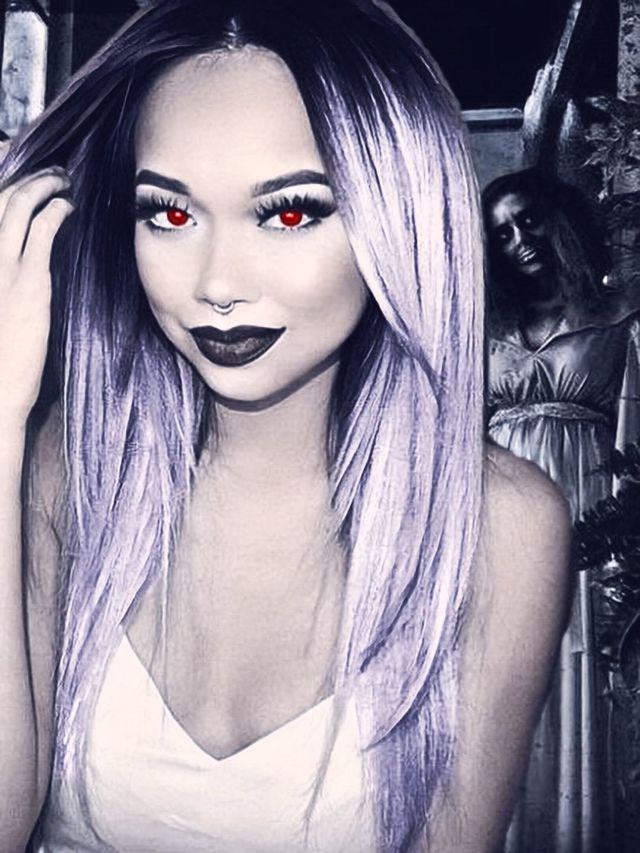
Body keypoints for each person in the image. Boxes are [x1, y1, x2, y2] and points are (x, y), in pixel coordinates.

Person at [0, 3, 571, 851]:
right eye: (170, 214)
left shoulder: (499, 527)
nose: (217, 283)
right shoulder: (71, 469)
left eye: (291, 212)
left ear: (399, 216)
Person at [483, 167, 640, 853]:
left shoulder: (621, 316)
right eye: (501, 233)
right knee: (506, 666)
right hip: (496, 527)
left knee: (581, 658)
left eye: (529, 219)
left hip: (588, 518)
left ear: (561, 219)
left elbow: (634, 431)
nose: (519, 239)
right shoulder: (483, 328)